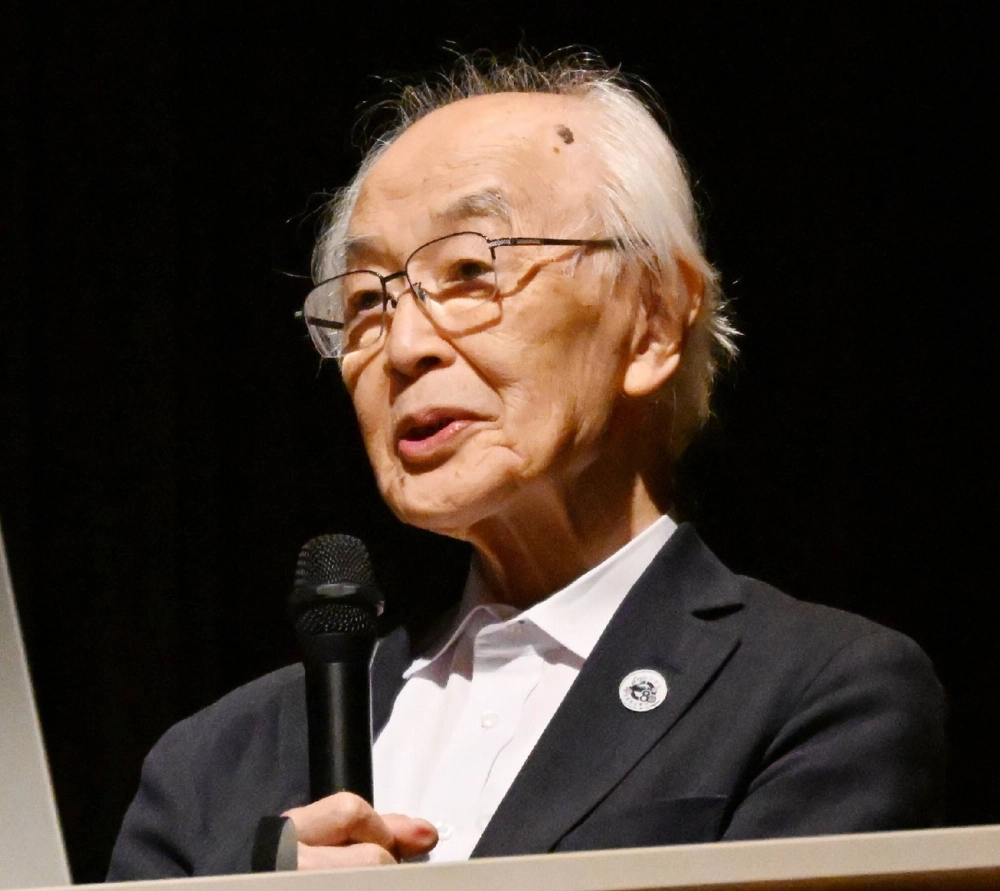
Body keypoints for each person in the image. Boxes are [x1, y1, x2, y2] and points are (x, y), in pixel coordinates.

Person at [107, 53, 945, 879]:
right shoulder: (213, 765)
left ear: (651, 323)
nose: (402, 347)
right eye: (367, 300)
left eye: (471, 270)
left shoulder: (818, 694)